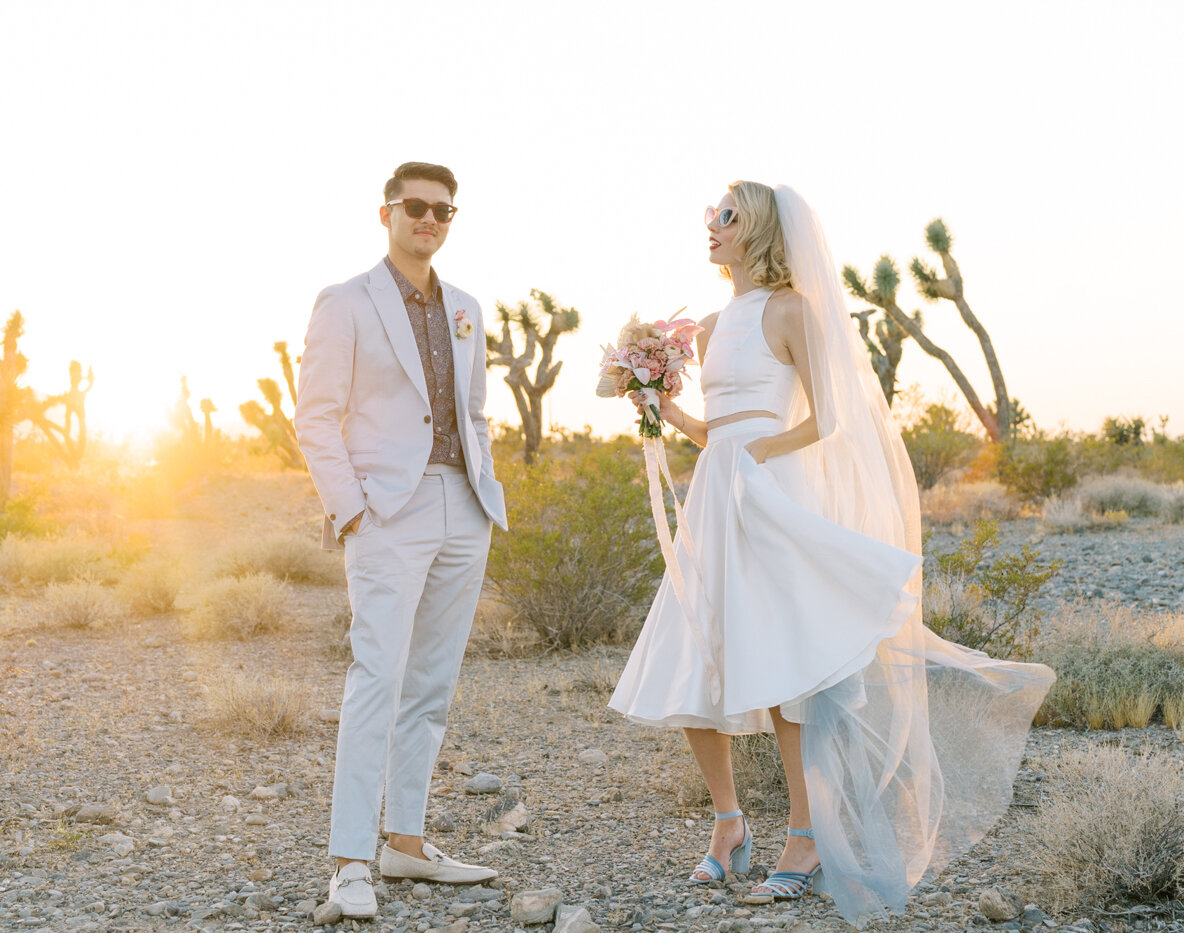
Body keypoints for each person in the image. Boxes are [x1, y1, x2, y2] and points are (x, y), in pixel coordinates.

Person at [607, 180, 1054, 926]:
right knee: (692, 651)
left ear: (760, 230)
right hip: (719, 496)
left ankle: (806, 836)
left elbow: (828, 418)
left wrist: (756, 454)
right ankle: (729, 822)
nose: (712, 225)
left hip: (770, 493)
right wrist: (660, 406)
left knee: (783, 668)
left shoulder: (792, 310)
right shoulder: (714, 325)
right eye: (710, 214)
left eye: (728, 215)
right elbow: (714, 433)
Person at [294, 161, 508, 920]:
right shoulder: (345, 302)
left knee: (431, 687)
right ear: (386, 212)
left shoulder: (469, 307)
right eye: (416, 206)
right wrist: (350, 510)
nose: (430, 219)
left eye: (444, 211)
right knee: (375, 679)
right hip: (387, 511)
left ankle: (405, 843)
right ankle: (351, 862)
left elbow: (475, 411)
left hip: (463, 506)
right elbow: (315, 416)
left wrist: (484, 493)